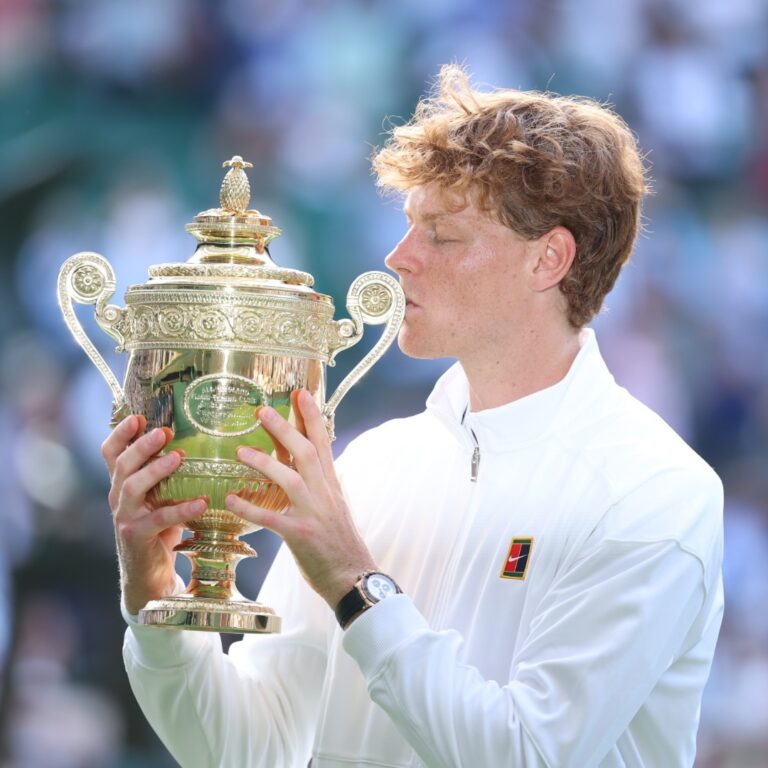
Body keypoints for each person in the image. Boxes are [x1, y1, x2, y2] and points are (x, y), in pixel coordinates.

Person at [103, 66, 724, 768]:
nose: (401, 259)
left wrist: (354, 583)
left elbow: (526, 754)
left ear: (549, 258)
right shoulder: (372, 465)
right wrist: (154, 599)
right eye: (408, 229)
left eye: (443, 235)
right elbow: (248, 748)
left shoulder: (655, 492)